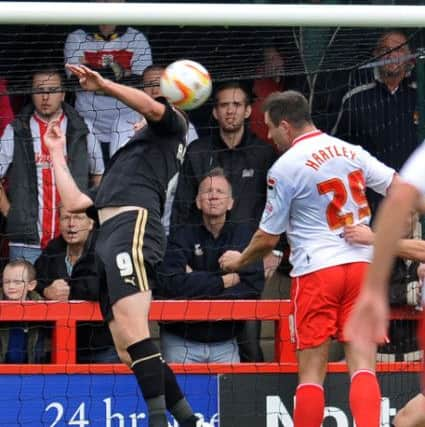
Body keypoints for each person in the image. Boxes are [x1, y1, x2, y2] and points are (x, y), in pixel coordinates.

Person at [219, 90, 398, 427]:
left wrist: (239, 261)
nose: (269, 136)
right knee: (363, 366)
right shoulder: (351, 151)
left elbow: (266, 238)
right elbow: (400, 188)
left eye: (270, 129)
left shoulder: (284, 167)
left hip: (318, 271)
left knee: (312, 374)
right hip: (363, 266)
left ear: (285, 126)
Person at [44, 63, 200, 427]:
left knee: (136, 334)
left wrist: (103, 85)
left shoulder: (173, 126)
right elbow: (76, 204)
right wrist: (54, 153)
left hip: (133, 226)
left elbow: (151, 108)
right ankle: (189, 422)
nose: (145, 113)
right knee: (128, 350)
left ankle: (159, 422)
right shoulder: (132, 158)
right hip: (109, 236)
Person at [171, 81, 276, 362]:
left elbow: (280, 204)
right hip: (201, 254)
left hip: (249, 256)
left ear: (247, 110)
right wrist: (179, 254)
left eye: (237, 105)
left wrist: (274, 250)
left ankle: (252, 402)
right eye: (224, 105)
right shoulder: (197, 151)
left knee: (250, 344)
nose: (230, 111)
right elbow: (182, 208)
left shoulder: (264, 153)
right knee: (200, 333)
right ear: (215, 112)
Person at [345, 143, 425, 425]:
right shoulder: (372, 255)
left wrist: (373, 238)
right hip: (389, 350)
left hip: (414, 347)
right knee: (405, 419)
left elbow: (400, 197)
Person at [157, 168, 264, 363]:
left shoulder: (244, 236)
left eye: (220, 192)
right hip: (181, 341)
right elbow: (170, 285)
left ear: (231, 203)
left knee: (229, 393)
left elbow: (253, 287)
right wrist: (224, 281)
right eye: (208, 191)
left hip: (225, 342)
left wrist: (193, 279)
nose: (214, 196)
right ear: (198, 201)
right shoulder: (180, 235)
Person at [0, 67, 104, 263]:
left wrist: (90, 216)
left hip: (74, 242)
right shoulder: (16, 130)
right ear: (31, 93)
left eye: (52, 90)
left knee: (72, 293)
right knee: (25, 293)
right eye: (39, 90)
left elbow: (99, 175)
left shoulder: (82, 129)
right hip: (26, 243)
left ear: (63, 94)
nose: (45, 97)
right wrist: (10, 213)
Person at [109, 63, 198, 236]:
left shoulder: (188, 128)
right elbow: (116, 166)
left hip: (172, 217)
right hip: (130, 212)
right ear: (141, 89)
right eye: (149, 85)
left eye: (160, 85)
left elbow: (189, 173)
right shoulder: (121, 123)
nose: (155, 90)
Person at [64, 2, 152, 164]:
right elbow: (75, 79)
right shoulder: (76, 37)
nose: (106, 3)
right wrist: (122, 74)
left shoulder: (137, 38)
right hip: (86, 125)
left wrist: (94, 74)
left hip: (129, 125)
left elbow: (142, 83)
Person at [34, 206, 119, 363]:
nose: (71, 224)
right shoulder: (54, 248)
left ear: (91, 223)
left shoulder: (105, 248)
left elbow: (95, 289)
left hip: (102, 344)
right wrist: (47, 291)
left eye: (78, 218)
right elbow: (36, 278)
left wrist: (68, 292)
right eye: (66, 218)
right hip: (61, 343)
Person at [332, 31, 417, 185]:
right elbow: (337, 150)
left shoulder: (419, 93)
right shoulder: (355, 98)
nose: (392, 55)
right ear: (376, 55)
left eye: (398, 49)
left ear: (409, 56)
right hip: (369, 195)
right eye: (385, 50)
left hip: (416, 195)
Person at [0, 259, 50, 363]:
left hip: (30, 370)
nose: (11, 286)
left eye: (17, 282)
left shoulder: (42, 307)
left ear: (31, 285)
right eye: (6, 282)